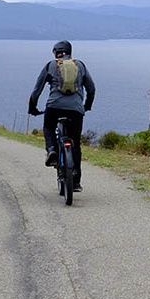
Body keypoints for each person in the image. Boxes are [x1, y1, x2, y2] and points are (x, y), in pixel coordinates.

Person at [28, 40, 95, 191]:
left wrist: (32, 108)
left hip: (54, 107)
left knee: (48, 127)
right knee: (75, 142)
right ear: (70, 52)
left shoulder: (50, 65)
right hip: (76, 110)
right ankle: (76, 180)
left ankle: (52, 149)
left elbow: (36, 91)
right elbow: (92, 89)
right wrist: (86, 106)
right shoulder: (80, 65)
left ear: (56, 53)